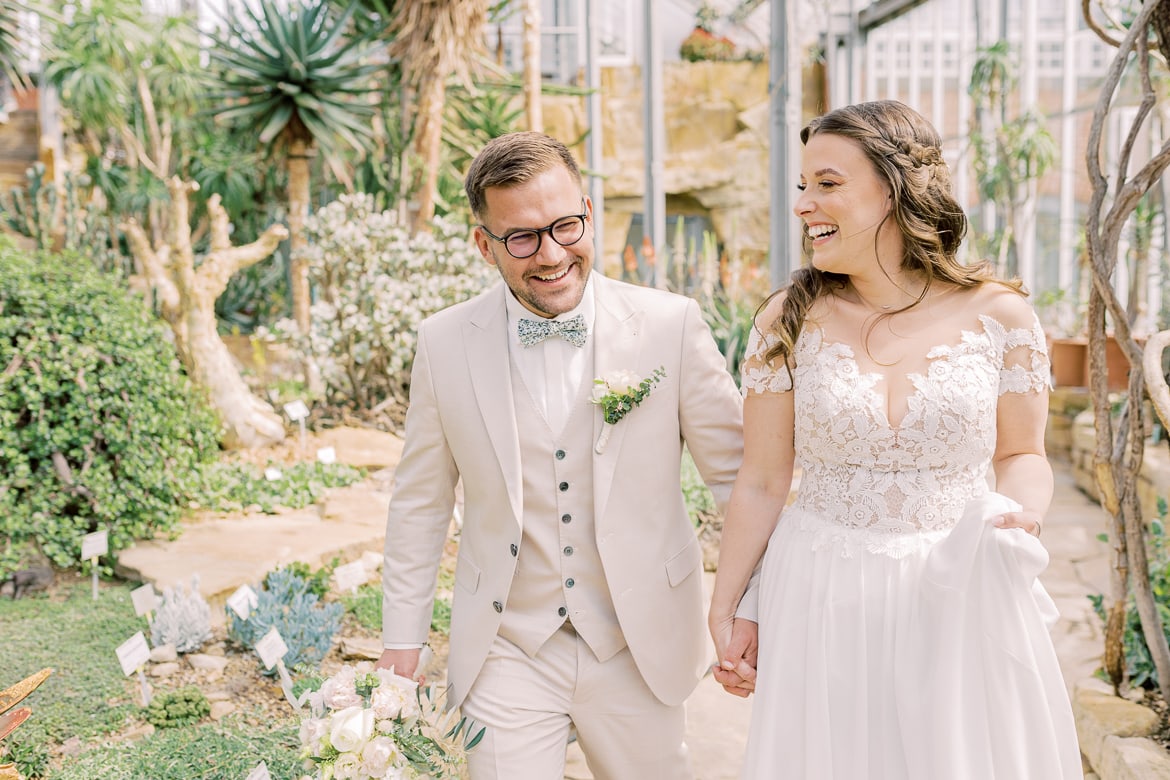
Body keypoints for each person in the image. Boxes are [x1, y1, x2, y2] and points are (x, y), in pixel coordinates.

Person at [708, 100, 1081, 779]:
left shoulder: (1001, 314)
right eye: (803, 186)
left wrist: (1018, 521)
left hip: (957, 586)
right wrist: (730, 606)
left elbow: (1022, 455)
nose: (803, 205)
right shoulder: (785, 320)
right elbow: (762, 480)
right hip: (821, 591)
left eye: (827, 183)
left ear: (893, 187)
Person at [377, 130, 750, 780]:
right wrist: (399, 651)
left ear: (588, 211)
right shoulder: (443, 344)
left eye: (565, 225)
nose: (551, 254)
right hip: (507, 644)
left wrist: (753, 606)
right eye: (521, 237)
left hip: (638, 642)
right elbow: (420, 505)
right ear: (483, 243)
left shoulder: (671, 325)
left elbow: (739, 481)